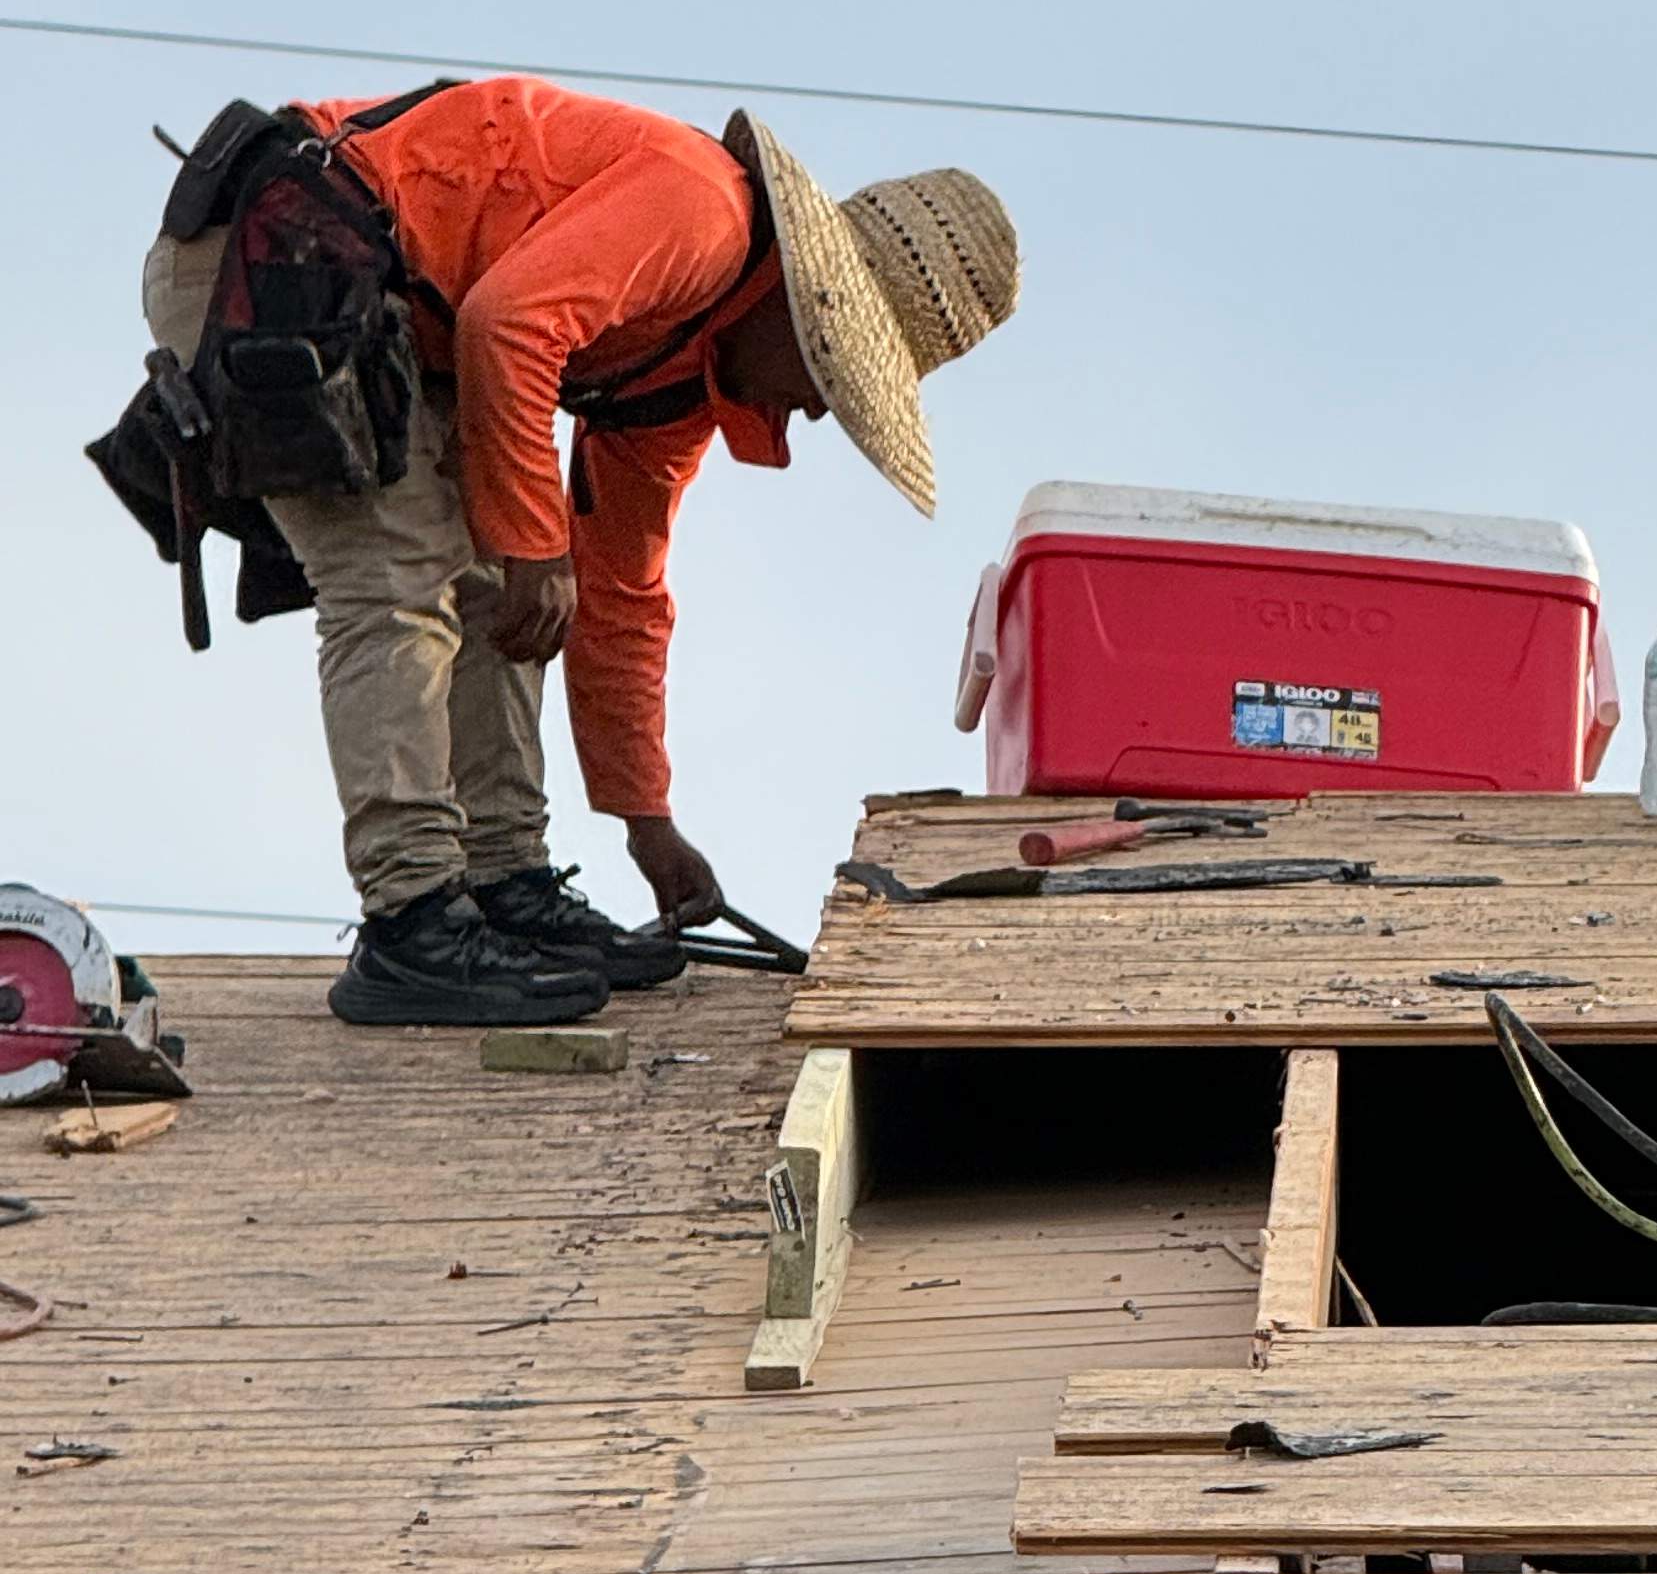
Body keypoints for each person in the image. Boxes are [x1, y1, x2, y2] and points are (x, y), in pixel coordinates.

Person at [137, 77, 1020, 1024]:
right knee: (398, 573)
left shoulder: (678, 375)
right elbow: (508, 323)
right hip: (276, 254)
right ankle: (411, 922)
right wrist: (532, 549)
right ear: (804, 313)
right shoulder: (703, 212)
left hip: (375, 306)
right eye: (828, 380)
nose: (811, 411)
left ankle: (505, 880)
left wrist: (649, 822)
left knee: (504, 577)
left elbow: (623, 597)